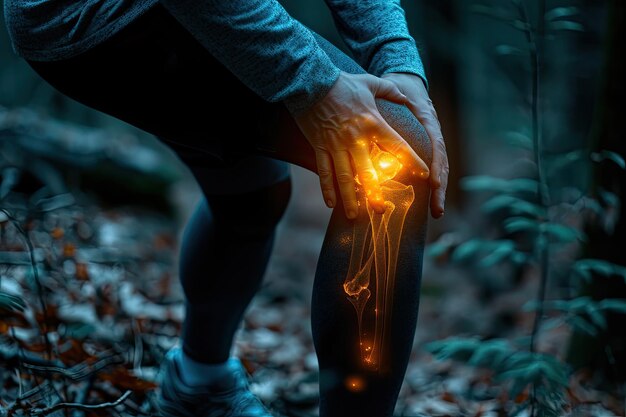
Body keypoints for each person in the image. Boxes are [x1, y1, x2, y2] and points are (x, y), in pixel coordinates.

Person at [3, 0, 449, 416]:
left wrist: (396, 61)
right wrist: (315, 83)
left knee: (251, 191)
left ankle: (198, 384)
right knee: (393, 163)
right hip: (107, 17)